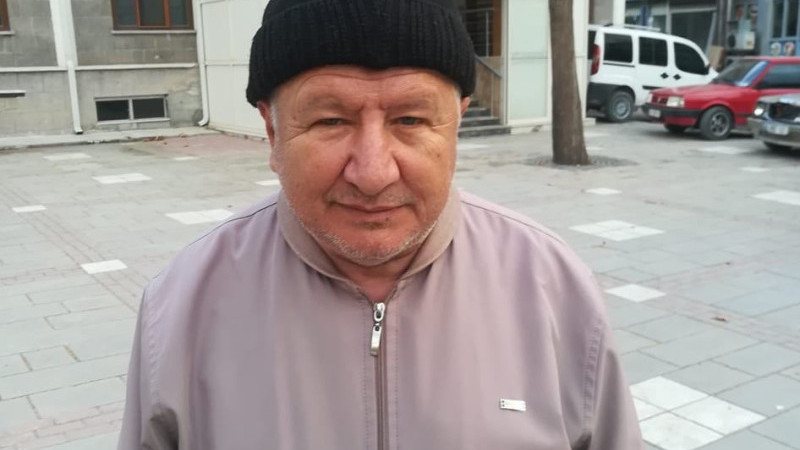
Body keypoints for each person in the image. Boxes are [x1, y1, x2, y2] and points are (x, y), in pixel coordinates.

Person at [118, 0, 643, 448]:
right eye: (330, 120)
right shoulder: (182, 306)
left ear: (457, 124)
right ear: (272, 132)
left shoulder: (554, 288)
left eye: (410, 119)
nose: (372, 174)